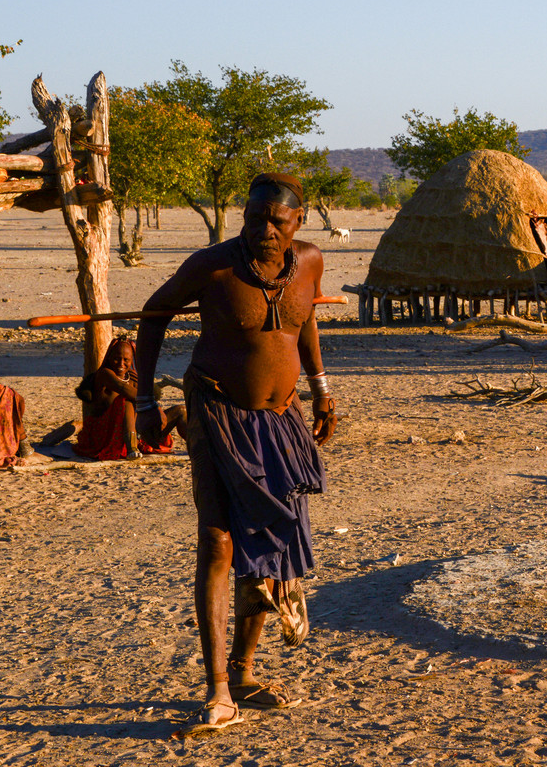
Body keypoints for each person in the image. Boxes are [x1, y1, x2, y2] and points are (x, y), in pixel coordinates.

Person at [134, 172, 337, 738]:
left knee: (268, 545)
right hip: (218, 415)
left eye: (277, 221)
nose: (264, 230)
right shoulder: (214, 267)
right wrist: (147, 401)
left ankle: (245, 674)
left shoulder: (311, 261)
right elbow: (154, 315)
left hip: (281, 420)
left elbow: (305, 320)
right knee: (219, 541)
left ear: (299, 223)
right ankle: (218, 689)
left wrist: (320, 386)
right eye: (254, 218)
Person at [70, 337, 185, 460]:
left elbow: (149, 394)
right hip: (104, 436)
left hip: (137, 431)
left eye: (126, 360)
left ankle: (197, 445)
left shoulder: (132, 377)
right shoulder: (105, 374)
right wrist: (156, 407)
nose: (121, 364)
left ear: (132, 361)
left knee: (181, 410)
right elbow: (126, 390)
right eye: (116, 359)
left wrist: (143, 385)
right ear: (109, 357)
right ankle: (132, 448)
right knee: (126, 400)